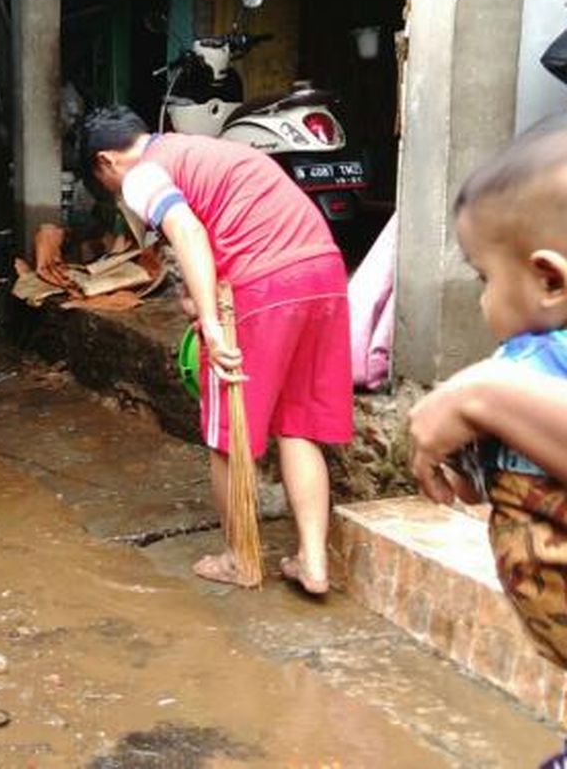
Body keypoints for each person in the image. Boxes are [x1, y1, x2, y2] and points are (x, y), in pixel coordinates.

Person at [73, 106, 353, 592]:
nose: (120, 197)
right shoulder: (204, 150)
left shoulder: (142, 176)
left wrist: (210, 322)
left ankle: (239, 558)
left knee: (229, 435)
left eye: (108, 187)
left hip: (264, 286)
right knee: (299, 424)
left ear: (105, 163)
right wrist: (199, 297)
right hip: (323, 272)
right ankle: (313, 562)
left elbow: (187, 230)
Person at [408, 122, 567, 666]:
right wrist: (467, 464)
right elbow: (492, 487)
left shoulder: (520, 376)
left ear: (550, 281)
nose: (482, 301)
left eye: (483, 278)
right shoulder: (523, 367)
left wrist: (482, 394)